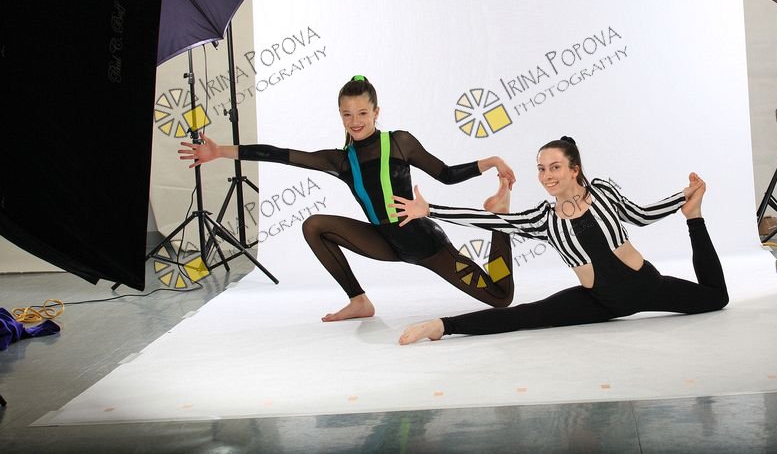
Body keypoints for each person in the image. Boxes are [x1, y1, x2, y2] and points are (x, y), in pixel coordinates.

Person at [178, 75, 517, 322]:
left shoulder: (400, 143)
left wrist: (488, 162)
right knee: (314, 226)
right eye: (347, 115)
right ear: (340, 115)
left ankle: (499, 221)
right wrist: (221, 151)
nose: (355, 122)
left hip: (426, 244)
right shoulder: (341, 161)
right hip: (384, 242)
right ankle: (359, 301)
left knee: (500, 296)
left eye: (362, 114)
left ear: (376, 112)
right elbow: (280, 154)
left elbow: (445, 174)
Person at [391, 136, 728, 344]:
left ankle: (695, 217)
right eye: (541, 169)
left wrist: (683, 200)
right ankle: (441, 327)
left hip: (648, 286)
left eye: (554, 167)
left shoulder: (603, 193)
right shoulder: (544, 219)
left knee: (716, 298)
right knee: (525, 315)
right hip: (599, 301)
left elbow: (640, 215)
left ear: (574, 170)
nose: (546, 176)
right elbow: (490, 220)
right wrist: (430, 210)